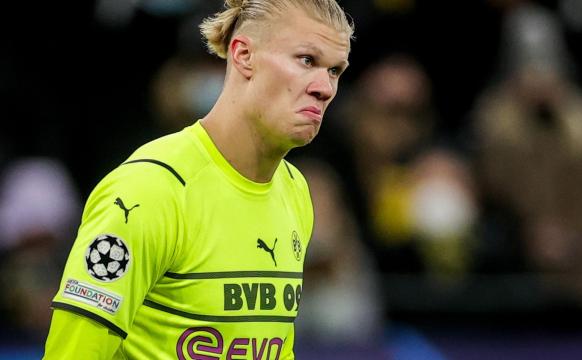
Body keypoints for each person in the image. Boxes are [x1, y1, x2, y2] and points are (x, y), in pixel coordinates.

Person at [43, 0, 354, 358]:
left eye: (335, 70)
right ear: (243, 55)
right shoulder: (149, 190)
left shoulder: (295, 190)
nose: (325, 88)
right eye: (306, 60)